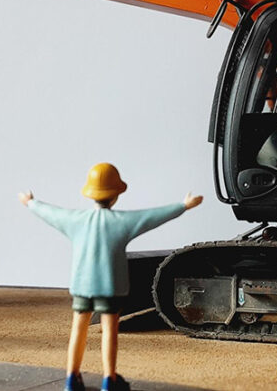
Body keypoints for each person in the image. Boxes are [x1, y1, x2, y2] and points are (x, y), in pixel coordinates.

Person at [18, 162, 203, 391]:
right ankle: (109, 380)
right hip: (110, 288)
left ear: (90, 193)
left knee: (78, 331)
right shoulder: (121, 222)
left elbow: (51, 213)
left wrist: (31, 202)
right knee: (109, 332)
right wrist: (183, 206)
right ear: (115, 195)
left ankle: (71, 379)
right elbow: (150, 217)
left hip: (82, 286)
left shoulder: (75, 220)